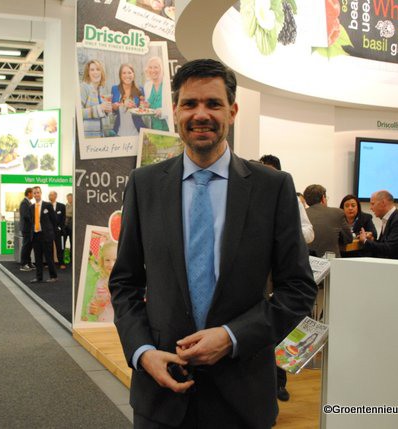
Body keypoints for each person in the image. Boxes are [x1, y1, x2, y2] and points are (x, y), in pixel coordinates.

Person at [109, 59, 317, 428]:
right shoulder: (144, 185)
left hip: (243, 396)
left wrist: (232, 336)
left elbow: (298, 289)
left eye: (213, 103)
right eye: (190, 103)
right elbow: (125, 283)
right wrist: (142, 352)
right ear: (176, 111)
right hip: (161, 393)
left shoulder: (273, 188)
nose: (200, 114)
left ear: (232, 112)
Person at [259, 154, 313, 403]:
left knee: (278, 329)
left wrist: (284, 234)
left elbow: (308, 232)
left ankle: (279, 382)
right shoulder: (250, 195)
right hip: (257, 273)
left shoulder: (289, 197)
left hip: (280, 273)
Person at [260, 154, 314, 245]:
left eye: (271, 174)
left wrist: (287, 233)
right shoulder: (254, 198)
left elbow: (309, 233)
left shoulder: (292, 199)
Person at [358, 190, 398, 261]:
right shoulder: (390, 219)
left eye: (373, 204)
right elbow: (385, 245)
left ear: (383, 203)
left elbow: (388, 248)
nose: (371, 208)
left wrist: (365, 241)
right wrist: (372, 240)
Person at [304, 184, 353, 258]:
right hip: (331, 262)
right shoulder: (337, 213)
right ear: (323, 198)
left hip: (307, 261)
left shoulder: (301, 214)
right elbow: (348, 239)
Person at [30, 186, 58, 283]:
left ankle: (53, 276)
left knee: (49, 257)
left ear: (41, 193)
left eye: (38, 192)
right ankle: (39, 277)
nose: (36, 194)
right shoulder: (31, 207)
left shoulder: (48, 205)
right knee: (38, 258)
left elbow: (54, 220)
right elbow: (31, 222)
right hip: (36, 235)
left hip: (46, 235)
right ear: (33, 195)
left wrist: (52, 234)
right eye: (34, 193)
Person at [111, 63, 146, 137]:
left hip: (137, 132)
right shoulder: (115, 89)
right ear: (120, 75)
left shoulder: (140, 89)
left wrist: (136, 108)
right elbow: (113, 109)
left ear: (133, 75)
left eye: (129, 73)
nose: (127, 75)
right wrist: (123, 104)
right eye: (124, 73)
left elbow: (142, 109)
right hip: (119, 132)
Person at [80, 59, 112, 138]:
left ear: (101, 72)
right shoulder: (83, 87)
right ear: (88, 73)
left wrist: (106, 111)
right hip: (88, 137)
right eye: (92, 70)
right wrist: (100, 108)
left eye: (98, 69)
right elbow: (79, 113)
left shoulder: (100, 89)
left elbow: (100, 113)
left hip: (100, 136)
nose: (95, 72)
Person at [87, 241, 117, 323]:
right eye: (107, 260)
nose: (111, 264)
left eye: (115, 260)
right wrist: (93, 309)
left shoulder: (125, 282)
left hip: (118, 325)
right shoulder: (100, 282)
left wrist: (111, 290)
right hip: (102, 323)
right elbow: (95, 301)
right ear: (102, 262)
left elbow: (125, 304)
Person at [143, 56, 170, 131]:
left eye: (156, 67)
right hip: (154, 127)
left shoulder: (167, 84)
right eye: (150, 67)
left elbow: (174, 106)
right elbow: (148, 105)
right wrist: (146, 106)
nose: (153, 70)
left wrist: (163, 111)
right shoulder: (147, 86)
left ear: (161, 68)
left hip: (167, 127)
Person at [48, 191, 67, 269]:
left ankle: (61, 262)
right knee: (49, 247)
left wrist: (61, 228)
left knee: (60, 247)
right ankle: (50, 263)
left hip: (59, 231)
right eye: (49, 195)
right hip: (49, 230)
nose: (50, 196)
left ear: (55, 196)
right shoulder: (46, 206)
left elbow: (63, 218)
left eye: (51, 195)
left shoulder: (61, 206)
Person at [19, 188, 34, 271]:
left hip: (29, 228)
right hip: (26, 228)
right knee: (26, 246)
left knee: (29, 246)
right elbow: (26, 215)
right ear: (29, 193)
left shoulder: (28, 202)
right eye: (33, 193)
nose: (34, 195)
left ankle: (28, 262)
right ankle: (23, 264)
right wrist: (34, 221)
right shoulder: (24, 203)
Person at [64, 193, 73, 258]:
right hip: (65, 225)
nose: (69, 199)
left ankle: (72, 257)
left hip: (72, 226)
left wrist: (68, 216)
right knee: (63, 241)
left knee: (72, 241)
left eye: (70, 198)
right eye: (68, 198)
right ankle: (64, 257)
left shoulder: (75, 206)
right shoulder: (65, 206)